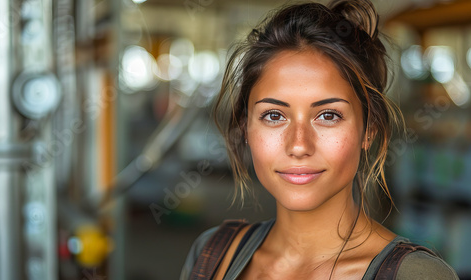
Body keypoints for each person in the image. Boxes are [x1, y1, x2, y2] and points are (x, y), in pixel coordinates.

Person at [180, 0, 459, 279]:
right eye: (274, 116)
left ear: (369, 129)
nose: (299, 145)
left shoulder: (416, 275)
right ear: (245, 128)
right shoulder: (211, 256)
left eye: (328, 115)